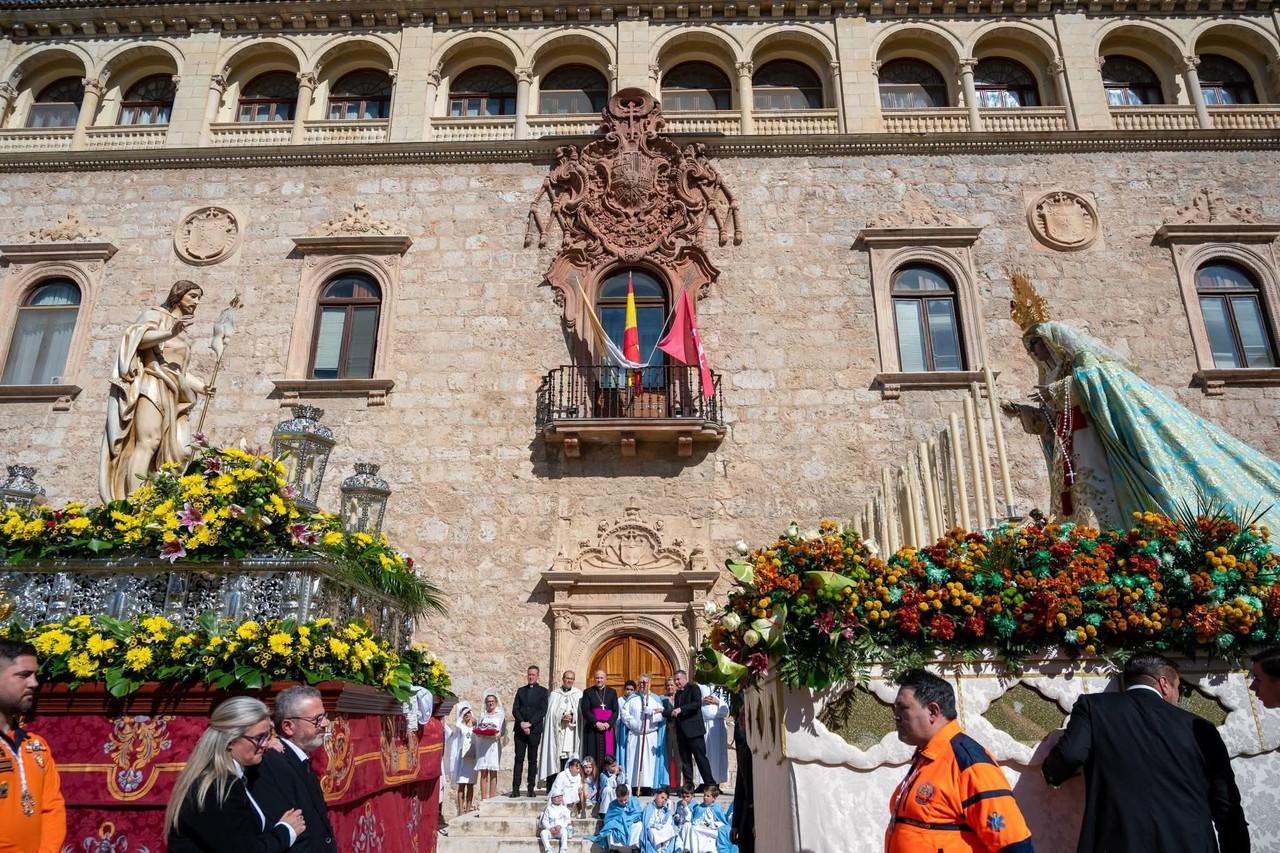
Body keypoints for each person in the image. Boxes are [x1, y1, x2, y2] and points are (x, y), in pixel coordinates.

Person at [1004, 273, 1280, 531]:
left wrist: (1057, 390)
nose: (1033, 351)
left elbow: (1100, 380)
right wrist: (1025, 413)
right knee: (1077, 498)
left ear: (1050, 340)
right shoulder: (1052, 373)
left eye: (1035, 343)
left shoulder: (1081, 361)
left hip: (1094, 442)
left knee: (1099, 492)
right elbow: (1051, 419)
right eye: (1029, 347)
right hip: (1071, 445)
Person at [1043, 651, 1249, 853]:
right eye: (1178, 687)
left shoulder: (1094, 707)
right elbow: (1226, 805)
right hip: (1190, 842)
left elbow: (1071, 754)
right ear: (1164, 683)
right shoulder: (1200, 727)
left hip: (1119, 840)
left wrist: (1053, 773)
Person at [886, 669, 1034, 853]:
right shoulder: (926, 757)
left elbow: (1014, 845)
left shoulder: (969, 762)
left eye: (903, 707)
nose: (896, 715)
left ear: (933, 711)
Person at [100, 280, 214, 504]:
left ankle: (164, 502)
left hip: (176, 394)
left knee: (183, 451)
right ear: (178, 295)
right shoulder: (155, 315)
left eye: (199, 298)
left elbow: (178, 370)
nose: (196, 302)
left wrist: (201, 386)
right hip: (153, 384)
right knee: (149, 442)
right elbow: (137, 339)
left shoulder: (183, 333)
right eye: (192, 296)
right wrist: (170, 332)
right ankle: (135, 502)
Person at [165, 696, 306, 853]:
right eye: (259, 737)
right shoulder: (218, 787)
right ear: (230, 741)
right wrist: (286, 831)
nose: (265, 744)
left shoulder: (226, 776)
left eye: (268, 735)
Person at [248, 685, 336, 853]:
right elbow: (294, 834)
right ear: (288, 726)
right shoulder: (272, 764)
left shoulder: (298, 760)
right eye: (316, 719)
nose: (325, 724)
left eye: (324, 716)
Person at [0, 640, 65, 853]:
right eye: (23, 675)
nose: (34, 683)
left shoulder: (37, 746)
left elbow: (52, 809)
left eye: (35, 675)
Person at [666, 670, 716, 790]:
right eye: (675, 680)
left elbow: (696, 704)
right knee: (685, 760)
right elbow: (675, 712)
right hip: (682, 732)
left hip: (694, 731)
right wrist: (664, 713)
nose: (676, 682)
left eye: (678, 679)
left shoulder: (694, 689)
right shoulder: (678, 694)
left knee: (700, 758)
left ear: (685, 679)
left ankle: (710, 784)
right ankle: (689, 785)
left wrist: (681, 710)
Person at [623, 672, 668, 794]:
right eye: (640, 682)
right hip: (635, 735)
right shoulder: (632, 699)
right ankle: (634, 785)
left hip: (650, 735)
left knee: (648, 762)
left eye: (645, 682)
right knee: (634, 761)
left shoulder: (655, 699)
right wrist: (634, 723)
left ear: (650, 683)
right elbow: (624, 714)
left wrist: (652, 713)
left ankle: (647, 786)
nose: (642, 684)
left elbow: (663, 715)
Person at [539, 670, 582, 790]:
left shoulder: (578, 694)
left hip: (571, 732)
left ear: (574, 680)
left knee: (569, 757)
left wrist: (573, 717)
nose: (569, 680)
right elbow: (550, 714)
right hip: (558, 732)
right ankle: (553, 787)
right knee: (556, 757)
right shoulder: (555, 694)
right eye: (567, 678)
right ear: (563, 679)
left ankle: (569, 786)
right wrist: (560, 716)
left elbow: (581, 715)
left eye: (571, 679)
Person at [513, 664, 549, 798]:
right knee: (518, 759)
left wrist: (530, 723)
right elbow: (515, 709)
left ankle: (530, 788)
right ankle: (515, 788)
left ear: (538, 676)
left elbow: (542, 711)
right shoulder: (521, 691)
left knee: (532, 760)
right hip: (520, 730)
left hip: (534, 730)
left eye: (533, 675)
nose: (531, 677)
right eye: (529, 675)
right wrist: (522, 723)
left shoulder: (543, 691)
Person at [580, 669, 619, 768]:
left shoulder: (612, 692)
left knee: (608, 755)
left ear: (605, 679)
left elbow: (616, 711)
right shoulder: (588, 692)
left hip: (607, 729)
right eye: (597, 678)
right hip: (592, 729)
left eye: (601, 678)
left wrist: (608, 723)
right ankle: (592, 779)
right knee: (592, 755)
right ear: (594, 679)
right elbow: (585, 710)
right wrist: (596, 723)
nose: (599, 680)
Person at [444, 701, 478, 814]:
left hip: (472, 757)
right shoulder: (461, 727)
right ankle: (461, 810)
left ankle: (468, 809)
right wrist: (460, 716)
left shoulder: (475, 727)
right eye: (465, 713)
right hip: (463, 758)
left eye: (468, 712)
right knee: (462, 785)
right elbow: (457, 727)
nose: (467, 715)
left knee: (470, 784)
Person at [588, 783, 643, 851]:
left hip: (630, 824)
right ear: (616, 797)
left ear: (628, 794)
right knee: (609, 827)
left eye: (625, 800)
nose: (623, 802)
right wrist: (618, 821)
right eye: (620, 801)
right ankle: (613, 848)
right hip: (617, 825)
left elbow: (638, 814)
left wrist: (627, 820)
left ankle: (634, 847)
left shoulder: (634, 801)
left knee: (639, 825)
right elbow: (608, 819)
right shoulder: (612, 804)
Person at [473, 690, 506, 803]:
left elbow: (502, 730)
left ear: (496, 702)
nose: (490, 703)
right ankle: (483, 797)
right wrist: (479, 731)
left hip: (493, 744)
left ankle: (492, 797)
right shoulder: (482, 715)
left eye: (492, 701)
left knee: (492, 770)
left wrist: (496, 733)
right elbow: (478, 728)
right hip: (483, 743)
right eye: (488, 702)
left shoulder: (500, 715)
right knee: (483, 771)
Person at [695, 685, 729, 787]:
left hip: (717, 725)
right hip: (704, 723)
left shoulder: (722, 688)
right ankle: (702, 783)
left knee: (717, 755)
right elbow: (694, 702)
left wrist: (717, 702)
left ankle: (716, 783)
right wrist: (702, 701)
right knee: (703, 753)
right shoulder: (700, 687)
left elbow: (727, 707)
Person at [729, 706, 753, 853]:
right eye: (739, 716)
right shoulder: (744, 748)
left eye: (743, 717)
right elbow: (740, 787)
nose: (739, 721)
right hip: (746, 817)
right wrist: (736, 823)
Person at [684, 785, 730, 853]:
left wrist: (714, 824)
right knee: (693, 829)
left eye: (708, 796)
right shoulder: (699, 808)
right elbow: (694, 820)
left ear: (714, 798)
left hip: (712, 830)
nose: (705, 797)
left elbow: (722, 822)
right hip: (702, 829)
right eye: (704, 795)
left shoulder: (717, 809)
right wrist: (702, 823)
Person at [639, 787, 678, 853]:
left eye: (665, 799)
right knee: (652, 832)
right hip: (653, 830)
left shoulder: (665, 809)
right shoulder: (648, 808)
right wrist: (654, 825)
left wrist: (668, 811)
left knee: (670, 828)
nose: (663, 801)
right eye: (662, 798)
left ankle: (665, 851)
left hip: (662, 830)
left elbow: (667, 822)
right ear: (655, 796)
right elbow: (646, 825)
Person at [617, 680, 637, 779]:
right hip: (622, 730)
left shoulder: (636, 700)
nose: (629, 692)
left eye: (631, 690)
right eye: (627, 689)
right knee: (623, 752)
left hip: (634, 731)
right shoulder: (620, 700)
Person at [663, 677, 681, 786]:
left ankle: (678, 785)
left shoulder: (680, 698)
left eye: (671, 685)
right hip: (667, 732)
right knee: (667, 759)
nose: (670, 687)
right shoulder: (662, 699)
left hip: (679, 732)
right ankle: (668, 785)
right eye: (668, 685)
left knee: (679, 760)